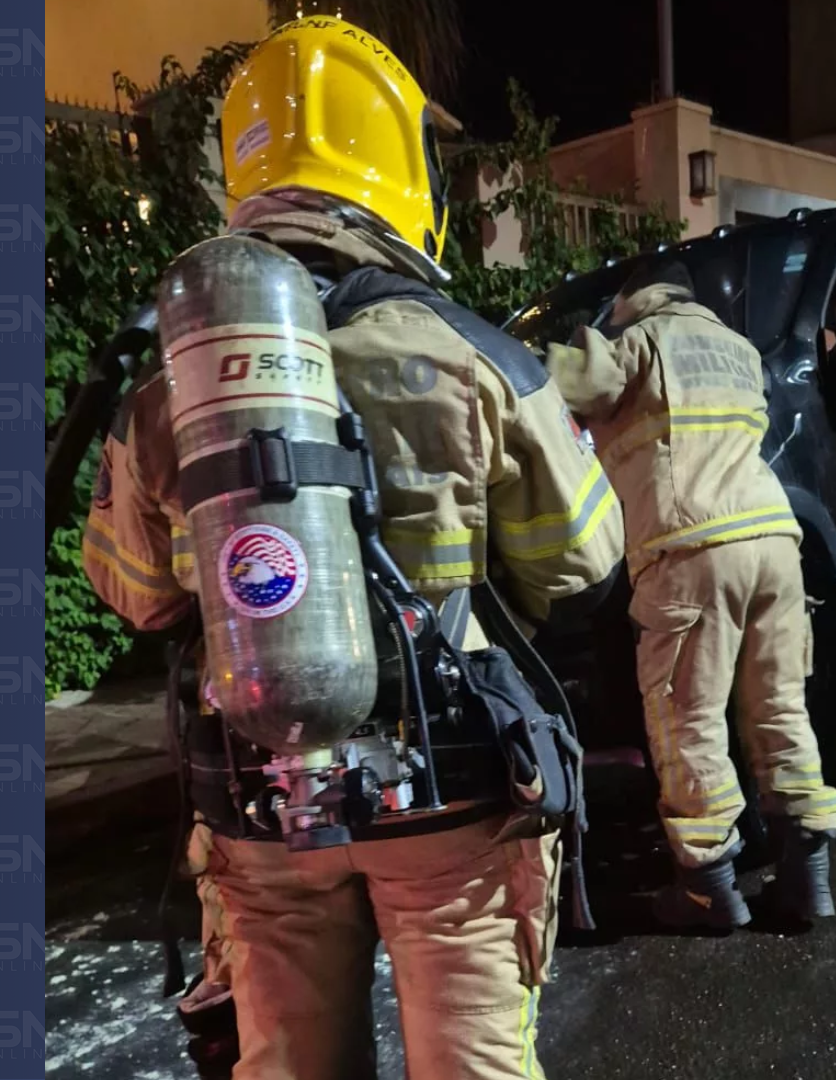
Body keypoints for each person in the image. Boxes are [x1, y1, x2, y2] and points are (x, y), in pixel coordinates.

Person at [83, 15, 624, 1078]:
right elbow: (585, 557)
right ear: (399, 173)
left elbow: (135, 594)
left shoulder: (168, 388)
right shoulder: (472, 354)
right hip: (451, 786)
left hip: (257, 800)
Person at [545, 259, 836, 930]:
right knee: (779, 707)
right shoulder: (737, 348)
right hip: (775, 539)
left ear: (629, 304)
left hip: (693, 547)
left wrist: (561, 346)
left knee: (687, 720)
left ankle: (707, 889)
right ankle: (807, 880)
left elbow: (557, 388)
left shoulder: (638, 342)